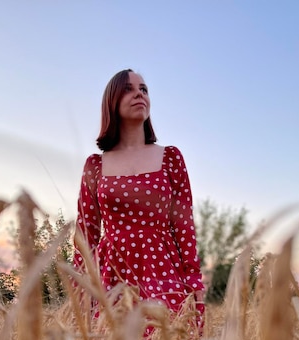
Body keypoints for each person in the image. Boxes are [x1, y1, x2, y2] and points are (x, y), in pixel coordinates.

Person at [74, 68, 205, 326]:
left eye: (143, 89)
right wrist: (80, 287)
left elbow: (183, 223)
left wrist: (193, 277)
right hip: (110, 275)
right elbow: (86, 231)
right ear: (112, 101)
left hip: (162, 270)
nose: (139, 95)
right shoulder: (95, 165)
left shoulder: (170, 157)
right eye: (129, 89)